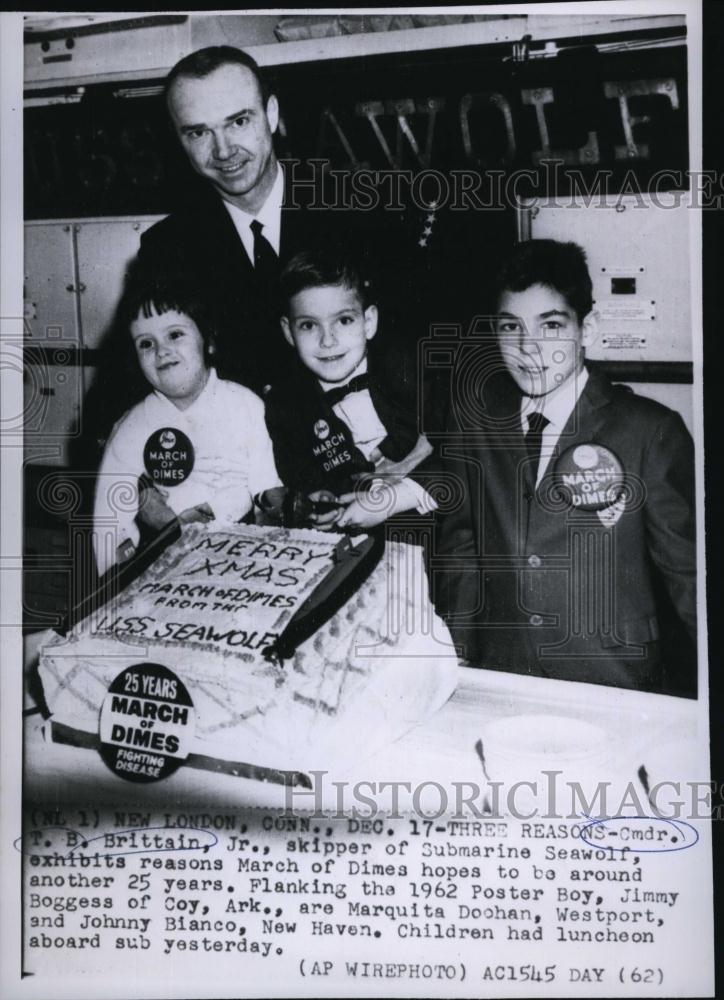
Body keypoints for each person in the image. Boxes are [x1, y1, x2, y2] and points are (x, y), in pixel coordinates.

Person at [432, 239, 697, 694]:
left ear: (586, 329)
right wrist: (459, 664)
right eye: (510, 327)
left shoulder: (650, 433)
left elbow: (691, 578)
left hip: (615, 680)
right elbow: (461, 552)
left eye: (551, 326)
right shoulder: (473, 420)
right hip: (504, 677)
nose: (528, 348)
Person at [136, 45, 349, 396]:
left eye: (238, 121)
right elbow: (130, 380)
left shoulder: (353, 210)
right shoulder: (167, 247)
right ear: (179, 139)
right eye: (199, 132)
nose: (223, 151)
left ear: (272, 114)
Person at [93, 268, 281, 576]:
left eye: (175, 334)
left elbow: (267, 488)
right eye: (145, 343)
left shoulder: (245, 406)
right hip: (165, 567)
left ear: (208, 341)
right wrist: (118, 580)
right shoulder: (131, 428)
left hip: (245, 558)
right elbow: (110, 521)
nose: (161, 350)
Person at [264, 248, 436, 532]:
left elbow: (452, 437)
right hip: (356, 529)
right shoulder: (287, 404)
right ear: (288, 332)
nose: (327, 340)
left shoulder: (407, 366)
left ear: (368, 322)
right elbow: (298, 471)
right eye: (308, 325)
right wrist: (319, 499)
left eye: (343, 320)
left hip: (427, 511)